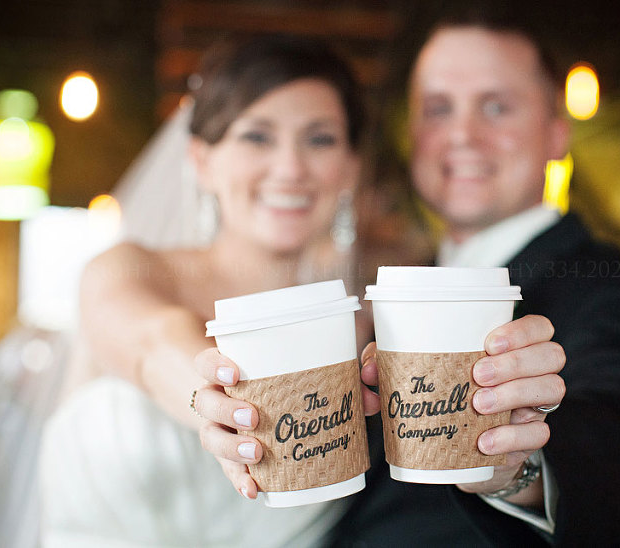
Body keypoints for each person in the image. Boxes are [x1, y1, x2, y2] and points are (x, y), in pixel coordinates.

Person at [195, 11, 620, 548]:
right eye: (438, 109)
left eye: (496, 107)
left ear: (557, 133)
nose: (462, 134)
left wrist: (519, 467)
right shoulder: (381, 291)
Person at [38, 34, 379, 547]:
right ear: (201, 160)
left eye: (320, 139)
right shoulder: (127, 271)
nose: (290, 168)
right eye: (257, 137)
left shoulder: (359, 328)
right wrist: (216, 404)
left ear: (350, 167)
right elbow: (155, 341)